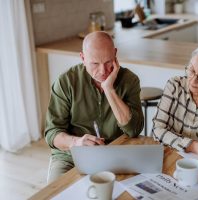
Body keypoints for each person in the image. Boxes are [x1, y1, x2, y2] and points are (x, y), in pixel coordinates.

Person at [45, 31, 144, 183]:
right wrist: (75, 143)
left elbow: (133, 130)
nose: (103, 71)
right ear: (83, 58)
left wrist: (109, 89)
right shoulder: (66, 82)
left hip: (114, 155)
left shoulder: (129, 80)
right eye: (95, 64)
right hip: (71, 157)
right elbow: (52, 133)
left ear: (115, 54)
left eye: (108, 62)